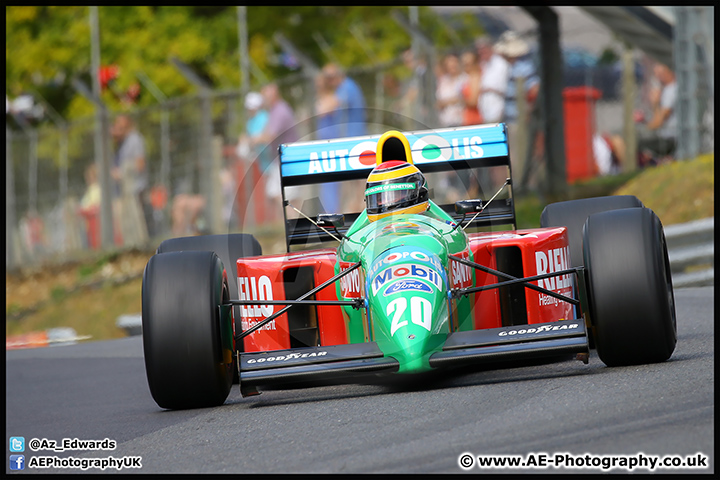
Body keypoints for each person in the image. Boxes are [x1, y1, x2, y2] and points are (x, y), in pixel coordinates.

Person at [494, 31, 540, 187]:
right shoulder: (506, 69)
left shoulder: (524, 68)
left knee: (520, 155)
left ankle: (524, 185)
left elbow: (534, 89)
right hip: (509, 118)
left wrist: (527, 110)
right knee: (512, 155)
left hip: (518, 118)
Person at [252, 83, 299, 222]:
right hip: (282, 159)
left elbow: (269, 136)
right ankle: (291, 226)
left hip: (287, 159)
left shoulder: (280, 110)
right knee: (283, 196)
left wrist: (252, 140)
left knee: (278, 195)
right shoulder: (274, 111)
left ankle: (294, 222)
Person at [111, 114, 149, 245]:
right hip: (124, 191)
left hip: (135, 189)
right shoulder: (121, 144)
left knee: (137, 224)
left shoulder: (135, 140)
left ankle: (141, 245)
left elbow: (140, 164)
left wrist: (121, 173)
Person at [638, 62, 677, 165]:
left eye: (659, 74)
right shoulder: (668, 90)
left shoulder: (671, 90)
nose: (658, 78)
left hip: (670, 138)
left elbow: (659, 122)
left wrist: (655, 104)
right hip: (667, 136)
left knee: (636, 141)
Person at [314, 73, 342, 213]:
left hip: (331, 145)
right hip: (322, 145)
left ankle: (333, 211)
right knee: (325, 183)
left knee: (331, 182)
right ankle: (328, 210)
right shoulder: (319, 99)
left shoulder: (332, 98)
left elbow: (323, 110)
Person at [322, 63, 366, 138]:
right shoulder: (339, 89)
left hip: (354, 136)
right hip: (346, 135)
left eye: (330, 78)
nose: (329, 82)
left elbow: (327, 108)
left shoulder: (348, 86)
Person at [476, 36, 510, 124]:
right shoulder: (484, 65)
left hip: (498, 110)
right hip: (486, 112)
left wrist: (489, 89)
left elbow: (504, 89)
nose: (481, 52)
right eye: (479, 50)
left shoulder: (501, 64)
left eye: (483, 49)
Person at [436, 53, 468, 128]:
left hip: (462, 121)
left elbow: (468, 99)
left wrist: (450, 101)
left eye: (454, 62)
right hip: (446, 122)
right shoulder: (443, 80)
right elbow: (439, 101)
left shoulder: (465, 79)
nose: (452, 66)